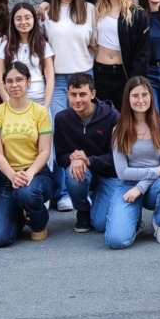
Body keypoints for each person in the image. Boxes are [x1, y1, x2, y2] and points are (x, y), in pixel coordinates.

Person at [106, 77, 160, 248]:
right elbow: (122, 172)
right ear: (127, 99)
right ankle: (135, 222)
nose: (141, 100)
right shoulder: (118, 130)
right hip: (127, 186)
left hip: (156, 185)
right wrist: (154, 173)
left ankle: (159, 223)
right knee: (116, 241)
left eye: (145, 95)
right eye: (135, 96)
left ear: (151, 97)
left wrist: (141, 187)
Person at [0, 61, 55, 246]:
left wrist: (29, 173)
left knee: (26, 193)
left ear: (28, 81)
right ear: (4, 84)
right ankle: (19, 213)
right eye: (9, 81)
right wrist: (12, 175)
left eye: (19, 80)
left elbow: (45, 151)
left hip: (37, 176)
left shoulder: (40, 112)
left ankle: (39, 223)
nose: (14, 85)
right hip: (7, 178)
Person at [52, 72, 119, 234]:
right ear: (67, 94)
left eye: (83, 94)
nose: (77, 100)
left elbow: (117, 159)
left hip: (108, 174)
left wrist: (87, 160)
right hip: (82, 172)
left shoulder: (112, 116)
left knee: (101, 225)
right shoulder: (61, 119)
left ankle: (99, 201)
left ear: (93, 94)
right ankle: (83, 210)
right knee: (73, 176)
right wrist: (74, 158)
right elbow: (60, 158)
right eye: (73, 95)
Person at [40, 0, 96, 118]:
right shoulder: (46, 12)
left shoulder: (89, 9)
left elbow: (96, 43)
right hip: (56, 79)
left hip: (84, 75)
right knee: (58, 125)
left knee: (83, 124)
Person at [92, 0, 150, 105]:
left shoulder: (137, 13)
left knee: (124, 115)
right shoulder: (96, 7)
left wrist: (136, 80)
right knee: (103, 114)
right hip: (101, 71)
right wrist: (47, 0)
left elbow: (143, 52)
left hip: (124, 73)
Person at [0, 2, 55, 105]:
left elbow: (50, 78)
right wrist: (9, 104)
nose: (23, 22)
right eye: (18, 19)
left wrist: (46, 106)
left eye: (27, 18)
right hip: (15, 101)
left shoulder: (43, 45)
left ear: (34, 20)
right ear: (13, 22)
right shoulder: (6, 46)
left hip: (39, 100)